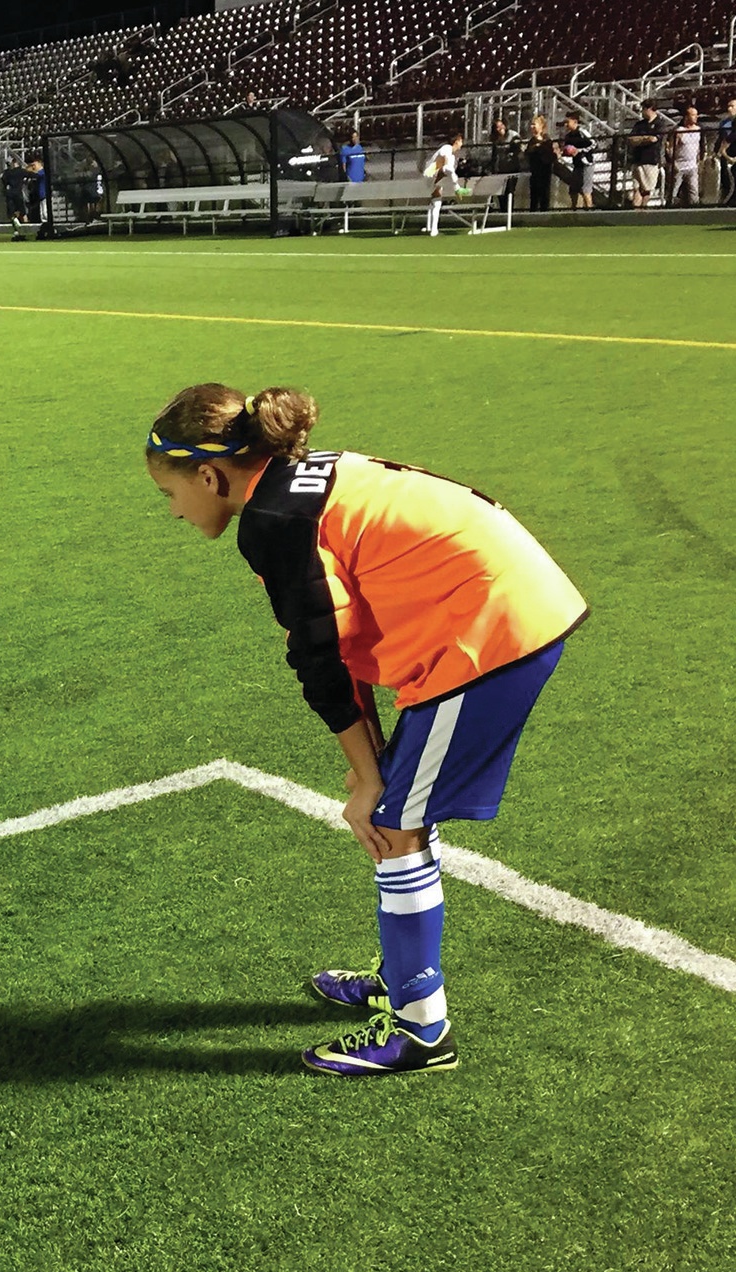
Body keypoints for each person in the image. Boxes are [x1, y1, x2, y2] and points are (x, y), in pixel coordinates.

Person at [143, 384, 586, 1077]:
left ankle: (420, 1030)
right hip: (499, 605)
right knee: (392, 809)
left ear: (208, 476)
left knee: (391, 821)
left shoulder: (276, 520)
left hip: (489, 633)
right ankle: (401, 978)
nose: (170, 510)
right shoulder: (296, 480)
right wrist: (368, 761)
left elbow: (318, 657)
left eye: (168, 493)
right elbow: (336, 636)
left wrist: (370, 773)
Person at [626, 101, 667, 209]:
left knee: (646, 189)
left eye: (644, 109)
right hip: (637, 159)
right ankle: (636, 211)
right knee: (636, 188)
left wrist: (640, 139)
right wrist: (645, 138)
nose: (642, 112)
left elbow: (654, 139)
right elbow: (631, 139)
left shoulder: (660, 124)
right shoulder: (639, 124)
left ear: (650, 109)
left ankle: (642, 209)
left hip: (651, 161)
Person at [422, 131, 463, 235]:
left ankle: (433, 230)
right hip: (430, 173)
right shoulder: (446, 148)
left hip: (435, 178)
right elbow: (445, 165)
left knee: (437, 201)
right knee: (448, 169)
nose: (462, 144)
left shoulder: (453, 157)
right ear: (457, 141)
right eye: (461, 141)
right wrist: (455, 185)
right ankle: (457, 188)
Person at [668, 104, 704, 207]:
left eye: (696, 115)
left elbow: (699, 148)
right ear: (686, 117)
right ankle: (669, 208)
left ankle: (694, 210)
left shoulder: (698, 130)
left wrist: (699, 161)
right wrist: (673, 163)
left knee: (693, 191)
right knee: (673, 191)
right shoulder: (679, 131)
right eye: (693, 115)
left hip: (692, 166)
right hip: (679, 165)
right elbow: (671, 148)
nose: (696, 117)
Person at [560, 112, 594, 209]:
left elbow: (594, 144)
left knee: (586, 190)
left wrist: (579, 151)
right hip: (577, 165)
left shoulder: (582, 132)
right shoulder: (568, 136)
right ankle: (574, 211)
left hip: (586, 164)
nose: (566, 125)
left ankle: (589, 212)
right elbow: (566, 150)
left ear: (575, 121)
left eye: (567, 122)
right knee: (573, 190)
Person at [522, 114, 555, 211]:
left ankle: (544, 211)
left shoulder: (546, 138)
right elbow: (528, 152)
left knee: (544, 192)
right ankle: (533, 211)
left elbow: (549, 152)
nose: (532, 127)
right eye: (531, 125)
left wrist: (539, 147)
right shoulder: (532, 141)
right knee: (534, 193)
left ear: (541, 126)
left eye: (534, 124)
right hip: (535, 170)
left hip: (545, 170)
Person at [3, 157, 30, 235]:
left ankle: (17, 230)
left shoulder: (7, 173)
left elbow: (4, 182)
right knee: (22, 212)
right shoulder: (19, 171)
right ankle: (25, 230)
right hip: (18, 194)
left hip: (11, 194)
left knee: (13, 213)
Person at [717, 98, 736, 204]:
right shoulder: (724, 123)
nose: (729, 109)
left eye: (732, 106)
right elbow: (722, 140)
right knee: (727, 181)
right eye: (728, 106)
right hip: (727, 156)